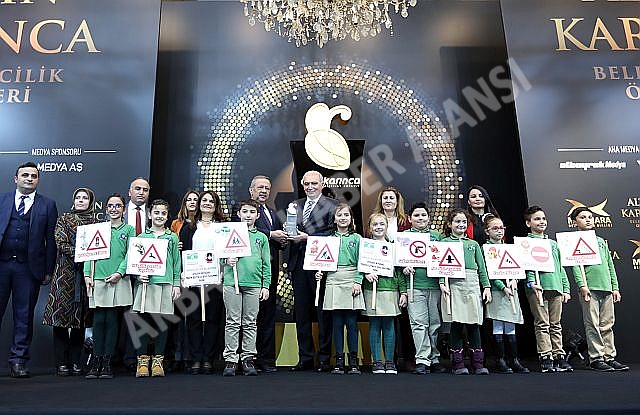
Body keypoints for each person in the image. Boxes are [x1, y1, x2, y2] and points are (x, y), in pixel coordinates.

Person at [0, 162, 57, 378]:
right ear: (16, 179)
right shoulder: (2, 200)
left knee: (24, 316)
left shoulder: (48, 205)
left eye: (34, 176)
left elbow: (51, 241)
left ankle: (18, 361)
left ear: (38, 180)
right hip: (2, 264)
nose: (29, 179)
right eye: (25, 175)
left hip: (28, 269)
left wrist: (48, 270)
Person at [286, 170, 338, 372]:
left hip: (321, 264)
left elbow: (335, 234)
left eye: (314, 183)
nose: (310, 187)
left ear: (322, 184)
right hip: (298, 264)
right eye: (307, 183)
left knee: (324, 313)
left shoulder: (333, 205)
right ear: (302, 184)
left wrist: (308, 238)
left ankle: (324, 358)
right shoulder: (295, 205)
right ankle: (305, 357)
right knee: (301, 314)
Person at [42, 187, 96, 376]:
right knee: (60, 320)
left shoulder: (96, 223)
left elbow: (100, 247)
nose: (81, 200)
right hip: (64, 275)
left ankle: (75, 362)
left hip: (86, 277)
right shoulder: (64, 219)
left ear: (90, 202)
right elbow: (61, 243)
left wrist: (89, 255)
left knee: (80, 321)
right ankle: (61, 363)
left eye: (85, 198)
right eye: (78, 197)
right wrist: (84, 253)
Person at [569, 207, 629, 372]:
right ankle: (596, 358)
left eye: (590, 216)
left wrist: (615, 287)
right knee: (593, 324)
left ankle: (609, 357)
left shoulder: (601, 241)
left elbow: (610, 265)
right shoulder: (573, 241)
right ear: (575, 222)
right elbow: (576, 266)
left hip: (606, 287)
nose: (588, 219)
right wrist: (582, 285)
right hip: (590, 288)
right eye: (583, 217)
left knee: (607, 324)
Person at [83, 194, 136, 379]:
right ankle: (96, 361)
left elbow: (130, 254)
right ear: (106, 209)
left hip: (118, 279)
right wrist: (87, 274)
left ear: (123, 209)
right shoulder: (98, 229)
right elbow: (88, 253)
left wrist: (120, 273)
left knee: (112, 320)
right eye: (111, 206)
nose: (114, 209)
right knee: (99, 320)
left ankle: (107, 362)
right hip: (98, 279)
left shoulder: (129, 229)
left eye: (118, 206)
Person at [221, 199, 271, 376]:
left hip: (254, 284)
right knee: (232, 321)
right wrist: (226, 260)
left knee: (250, 322)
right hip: (232, 282)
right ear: (238, 214)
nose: (248, 215)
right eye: (245, 212)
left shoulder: (261, 237)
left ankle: (248, 358)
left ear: (257, 215)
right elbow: (219, 257)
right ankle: (231, 359)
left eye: (252, 212)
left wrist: (266, 285)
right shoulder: (228, 233)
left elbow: (266, 263)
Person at [132, 199, 181, 377]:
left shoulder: (172, 237)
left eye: (163, 213)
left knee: (162, 323)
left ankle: (158, 361)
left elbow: (176, 263)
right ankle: (142, 361)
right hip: (146, 284)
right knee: (143, 322)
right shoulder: (141, 238)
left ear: (167, 216)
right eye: (156, 212)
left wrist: (176, 284)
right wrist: (138, 275)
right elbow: (134, 263)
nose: (160, 216)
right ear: (150, 214)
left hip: (165, 283)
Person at [439, 208, 492, 375]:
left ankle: (478, 363)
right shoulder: (444, 243)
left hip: (472, 284)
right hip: (453, 285)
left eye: (464, 222)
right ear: (450, 224)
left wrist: (487, 287)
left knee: (474, 323)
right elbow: (439, 266)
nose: (461, 224)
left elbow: (482, 268)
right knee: (456, 323)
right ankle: (458, 363)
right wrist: (442, 282)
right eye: (457, 221)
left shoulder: (473, 244)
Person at [180, 190, 227, 374]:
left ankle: (208, 358)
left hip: (215, 280)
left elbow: (227, 252)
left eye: (211, 201)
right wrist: (183, 274)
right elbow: (182, 253)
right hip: (193, 280)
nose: (207, 203)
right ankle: (195, 358)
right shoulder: (189, 227)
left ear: (216, 206)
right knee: (193, 319)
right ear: (199, 204)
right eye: (204, 200)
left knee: (213, 319)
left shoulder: (222, 228)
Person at [523, 205, 572, 373]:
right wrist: (531, 283)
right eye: (537, 219)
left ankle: (559, 355)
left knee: (555, 324)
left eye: (543, 218)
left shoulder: (553, 244)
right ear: (528, 223)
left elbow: (560, 267)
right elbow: (527, 268)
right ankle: (546, 356)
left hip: (555, 287)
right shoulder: (526, 243)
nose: (542, 221)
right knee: (542, 323)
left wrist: (566, 288)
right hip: (538, 289)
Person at [316, 203, 364, 374]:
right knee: (336, 322)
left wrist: (358, 281)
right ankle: (338, 360)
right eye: (339, 215)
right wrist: (320, 273)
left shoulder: (357, 238)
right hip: (333, 279)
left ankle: (354, 360)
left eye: (346, 215)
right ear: (334, 219)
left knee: (351, 322)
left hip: (351, 279)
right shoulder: (328, 240)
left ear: (351, 218)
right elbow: (322, 261)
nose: (343, 218)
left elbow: (362, 262)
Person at [399, 202, 446, 375]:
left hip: (434, 286)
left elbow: (444, 261)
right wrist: (403, 268)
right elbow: (397, 264)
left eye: (423, 215)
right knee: (418, 324)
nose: (420, 218)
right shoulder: (404, 237)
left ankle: (434, 358)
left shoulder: (437, 237)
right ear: (410, 218)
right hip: (414, 287)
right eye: (416, 215)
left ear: (429, 218)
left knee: (434, 324)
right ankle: (422, 359)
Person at [372, 186, 414, 372]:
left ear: (398, 201)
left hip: (404, 272)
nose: (388, 200)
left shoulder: (405, 221)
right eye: (385, 198)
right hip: (382, 277)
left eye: (391, 198)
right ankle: (388, 359)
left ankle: (407, 358)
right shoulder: (375, 221)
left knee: (405, 320)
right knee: (384, 320)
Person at [248, 175, 287, 372]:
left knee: (268, 314)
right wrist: (271, 235)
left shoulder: (272, 212)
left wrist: (284, 239)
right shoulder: (244, 210)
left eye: (267, 188)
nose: (264, 191)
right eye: (260, 187)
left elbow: (278, 240)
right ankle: (247, 357)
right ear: (251, 190)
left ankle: (264, 358)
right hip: (249, 272)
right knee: (250, 317)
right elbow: (244, 230)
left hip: (269, 270)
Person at [482, 215, 529, 374]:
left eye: (501, 228)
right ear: (487, 231)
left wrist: (515, 280)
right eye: (495, 228)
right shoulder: (486, 249)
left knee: (511, 324)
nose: (499, 231)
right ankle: (500, 359)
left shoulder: (510, 249)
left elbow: (518, 269)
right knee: (498, 324)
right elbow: (488, 272)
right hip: (497, 292)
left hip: (511, 290)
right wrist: (502, 287)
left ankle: (513, 359)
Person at [363, 213, 407, 375]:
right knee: (374, 325)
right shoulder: (365, 246)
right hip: (372, 290)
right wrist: (366, 273)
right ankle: (377, 362)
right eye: (375, 224)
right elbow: (360, 266)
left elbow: (399, 272)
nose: (378, 227)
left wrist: (403, 292)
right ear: (369, 228)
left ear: (387, 227)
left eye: (382, 224)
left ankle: (390, 362)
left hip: (390, 290)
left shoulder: (393, 247)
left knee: (389, 325)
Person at [167, 190, 198, 372]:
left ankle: (189, 356)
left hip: (198, 274)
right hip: (179, 272)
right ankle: (176, 356)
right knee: (177, 317)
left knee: (193, 316)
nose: (192, 202)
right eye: (189, 199)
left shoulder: (202, 224)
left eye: (195, 200)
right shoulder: (175, 224)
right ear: (184, 203)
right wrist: (175, 245)